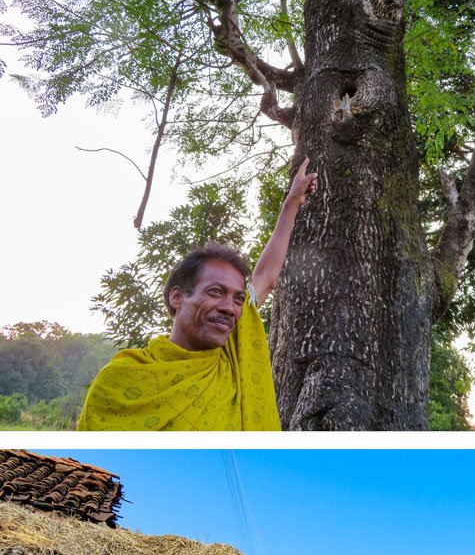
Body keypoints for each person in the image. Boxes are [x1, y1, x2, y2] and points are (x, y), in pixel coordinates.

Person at [78, 158, 318, 430]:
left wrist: (293, 201)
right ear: (177, 297)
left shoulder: (232, 357)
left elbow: (266, 277)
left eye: (239, 298)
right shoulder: (122, 380)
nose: (230, 307)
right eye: (215, 292)